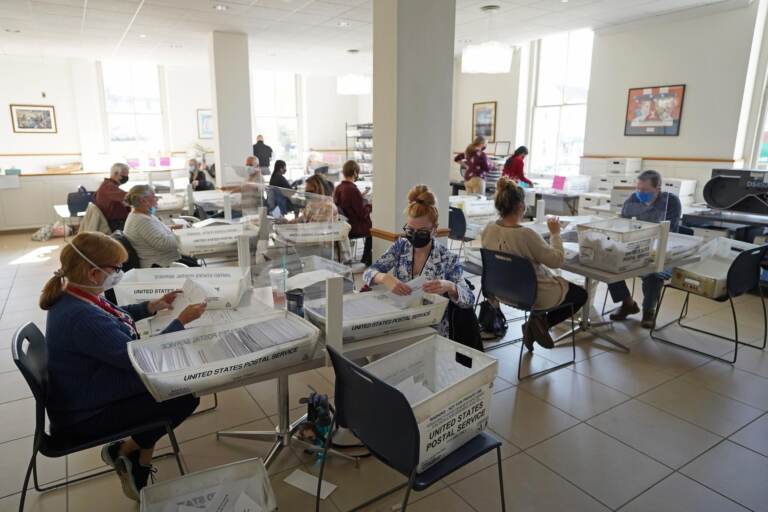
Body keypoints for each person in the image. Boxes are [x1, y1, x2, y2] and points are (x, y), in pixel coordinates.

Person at [40, 232, 206, 500]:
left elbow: (113, 316)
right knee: (182, 395)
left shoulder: (78, 293)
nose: (120, 272)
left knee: (174, 388)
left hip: (86, 390)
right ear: (94, 273)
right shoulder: (81, 316)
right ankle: (130, 455)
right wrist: (180, 322)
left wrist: (151, 307)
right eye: (116, 268)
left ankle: (130, 452)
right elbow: (139, 357)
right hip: (84, 415)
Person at [481, 177, 587, 350]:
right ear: (521, 207)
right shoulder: (526, 235)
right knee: (580, 295)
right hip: (531, 295)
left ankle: (535, 323)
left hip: (501, 291)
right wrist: (555, 234)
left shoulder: (489, 229)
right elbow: (556, 260)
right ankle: (540, 322)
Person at [362, 185, 474, 337]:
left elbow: (468, 300)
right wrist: (384, 278)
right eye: (410, 230)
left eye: (422, 232)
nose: (414, 236)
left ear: (434, 229)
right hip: (400, 325)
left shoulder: (447, 259)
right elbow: (368, 273)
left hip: (434, 331)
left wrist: (450, 286)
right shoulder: (401, 247)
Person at [607, 170, 682, 328]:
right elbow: (624, 223)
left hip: (663, 248)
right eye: (638, 189)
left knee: (655, 273)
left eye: (645, 190)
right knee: (608, 265)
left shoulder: (671, 202)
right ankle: (628, 303)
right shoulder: (634, 198)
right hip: (636, 247)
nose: (640, 193)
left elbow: (669, 231)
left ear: (658, 188)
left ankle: (649, 311)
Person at [123, 185, 198, 268]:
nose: (157, 200)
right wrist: (184, 233)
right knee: (197, 268)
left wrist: (173, 227)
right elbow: (164, 244)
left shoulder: (141, 215)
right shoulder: (142, 221)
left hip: (165, 259)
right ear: (143, 201)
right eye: (154, 197)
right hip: (160, 264)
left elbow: (155, 232)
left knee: (193, 262)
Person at [334, 160, 373, 266]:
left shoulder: (339, 188)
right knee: (374, 231)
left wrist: (360, 196)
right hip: (354, 227)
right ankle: (366, 259)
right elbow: (362, 213)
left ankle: (366, 259)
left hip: (344, 225)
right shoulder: (352, 190)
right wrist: (370, 205)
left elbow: (345, 205)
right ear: (355, 172)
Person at [94, 163, 131, 232]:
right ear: (116, 173)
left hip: (116, 222)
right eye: (124, 174)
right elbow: (129, 197)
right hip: (115, 224)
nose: (126, 176)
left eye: (127, 174)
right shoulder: (108, 187)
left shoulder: (108, 185)